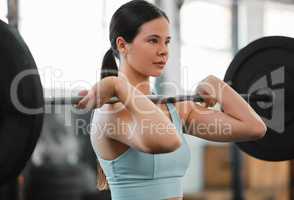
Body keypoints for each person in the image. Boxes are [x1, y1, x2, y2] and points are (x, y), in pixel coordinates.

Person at [76, 0, 267, 199]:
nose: (164, 50)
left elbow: (254, 128)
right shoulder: (111, 114)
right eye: (153, 40)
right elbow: (167, 141)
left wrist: (216, 84)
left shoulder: (176, 109)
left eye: (166, 41)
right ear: (123, 45)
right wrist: (119, 86)